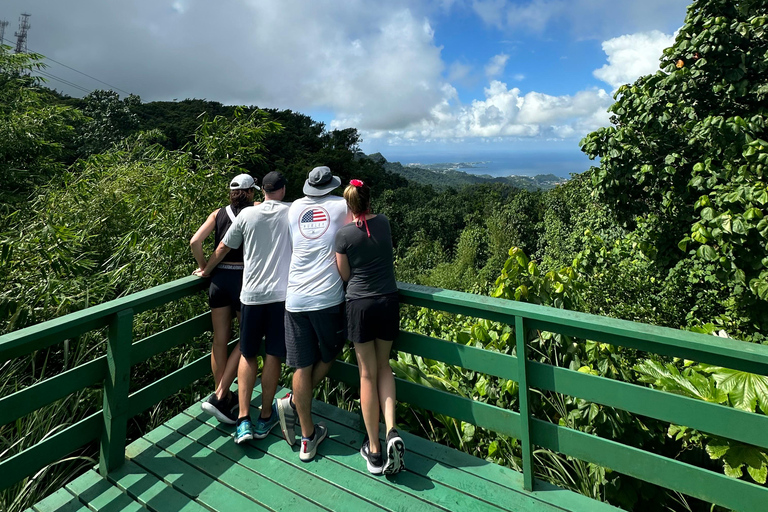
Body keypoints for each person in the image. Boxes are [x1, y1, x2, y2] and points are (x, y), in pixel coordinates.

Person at [194, 172, 292, 444]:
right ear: (281, 190)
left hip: (243, 290)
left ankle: (236, 412)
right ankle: (262, 417)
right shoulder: (291, 212)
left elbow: (218, 245)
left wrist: (205, 269)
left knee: (234, 346)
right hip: (277, 294)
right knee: (272, 353)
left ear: (261, 190)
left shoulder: (239, 215)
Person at [276, 166, 352, 462]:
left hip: (294, 297)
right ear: (331, 186)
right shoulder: (340, 206)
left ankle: (307, 438)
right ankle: (294, 400)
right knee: (332, 349)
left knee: (301, 366)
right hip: (327, 298)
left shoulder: (294, 208)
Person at [334, 179, 404, 475]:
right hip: (388, 300)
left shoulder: (344, 235)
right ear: (369, 200)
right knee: (384, 366)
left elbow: (344, 274)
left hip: (360, 305)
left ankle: (374, 451)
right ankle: (391, 430)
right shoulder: (385, 223)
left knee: (366, 374)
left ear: (349, 206)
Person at [190, 173, 258, 424]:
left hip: (218, 281)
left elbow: (195, 241)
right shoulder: (255, 212)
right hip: (243, 279)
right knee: (246, 336)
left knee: (220, 340)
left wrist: (204, 265)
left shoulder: (217, 213)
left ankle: (223, 393)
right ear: (250, 192)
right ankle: (223, 394)